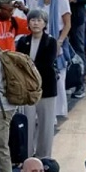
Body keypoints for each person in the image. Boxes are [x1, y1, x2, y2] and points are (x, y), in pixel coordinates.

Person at [17, 9, 59, 159]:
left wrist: (28, 66)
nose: (35, 23)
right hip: (27, 90)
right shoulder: (22, 41)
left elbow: (47, 64)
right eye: (33, 20)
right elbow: (18, 63)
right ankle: (27, 156)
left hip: (46, 88)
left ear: (45, 24)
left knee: (46, 125)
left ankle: (44, 156)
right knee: (27, 123)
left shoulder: (51, 41)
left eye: (39, 20)